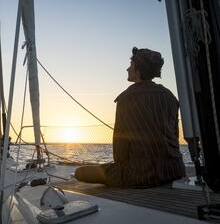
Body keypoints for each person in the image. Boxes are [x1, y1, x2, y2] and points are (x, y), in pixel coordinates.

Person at [75, 47, 186, 187]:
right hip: (174, 169)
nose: (127, 69)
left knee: (81, 173)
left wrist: (123, 166)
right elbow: (174, 135)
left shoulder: (126, 98)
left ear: (138, 71)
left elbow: (120, 151)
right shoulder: (169, 96)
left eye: (131, 66)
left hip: (141, 174)